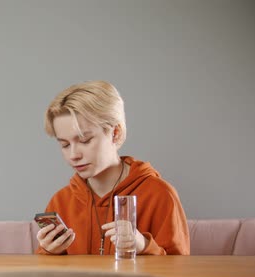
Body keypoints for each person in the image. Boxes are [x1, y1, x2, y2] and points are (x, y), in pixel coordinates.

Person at [36, 80, 190, 256]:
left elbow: (180, 272)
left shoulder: (160, 195)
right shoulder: (60, 201)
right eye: (64, 144)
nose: (73, 155)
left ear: (115, 133)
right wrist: (49, 252)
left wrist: (143, 246)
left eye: (85, 141)